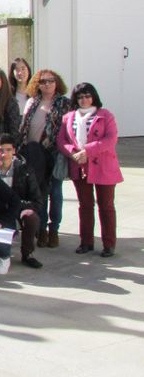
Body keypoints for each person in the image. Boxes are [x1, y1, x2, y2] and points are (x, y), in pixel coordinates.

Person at [57, 82, 123, 258]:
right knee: (85, 206)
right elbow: (62, 140)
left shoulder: (105, 115)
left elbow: (111, 139)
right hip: (79, 165)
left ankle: (109, 244)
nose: (84, 100)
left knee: (106, 206)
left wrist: (88, 151)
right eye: (80, 97)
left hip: (103, 166)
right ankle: (86, 242)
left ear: (94, 97)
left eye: (87, 96)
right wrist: (74, 153)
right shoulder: (68, 117)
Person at [19, 69, 70, 248]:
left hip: (55, 153)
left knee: (55, 192)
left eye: (50, 81)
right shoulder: (32, 102)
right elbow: (23, 128)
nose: (46, 84)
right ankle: (41, 230)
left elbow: (69, 130)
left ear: (57, 83)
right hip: (34, 154)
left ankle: (54, 229)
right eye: (42, 81)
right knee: (40, 193)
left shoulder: (64, 103)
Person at [0, 134, 44, 268]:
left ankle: (27, 254)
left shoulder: (25, 169)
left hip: (18, 208)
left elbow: (37, 200)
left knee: (31, 217)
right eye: (0, 150)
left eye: (8, 150)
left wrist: (21, 207)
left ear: (14, 151)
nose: (3, 154)